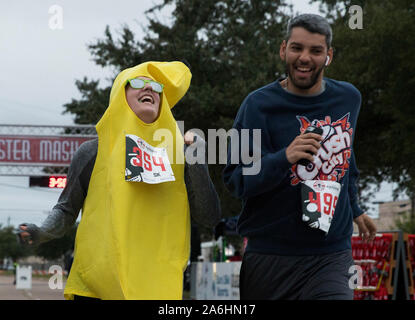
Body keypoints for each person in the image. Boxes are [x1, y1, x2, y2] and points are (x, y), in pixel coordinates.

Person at [18, 61, 221, 300]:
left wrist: (197, 160)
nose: (149, 89)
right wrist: (41, 231)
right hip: (97, 288)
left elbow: (210, 217)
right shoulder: (92, 152)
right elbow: (66, 209)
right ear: (119, 95)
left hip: (155, 287)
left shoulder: (179, 154)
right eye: (137, 83)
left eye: (155, 85)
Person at [223, 14, 377, 300]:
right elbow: (235, 179)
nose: (304, 58)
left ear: (328, 56)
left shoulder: (349, 98)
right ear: (284, 50)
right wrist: (284, 157)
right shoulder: (257, 106)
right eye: (297, 48)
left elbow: (346, 160)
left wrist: (355, 208)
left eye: (316, 51)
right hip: (271, 257)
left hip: (332, 254)